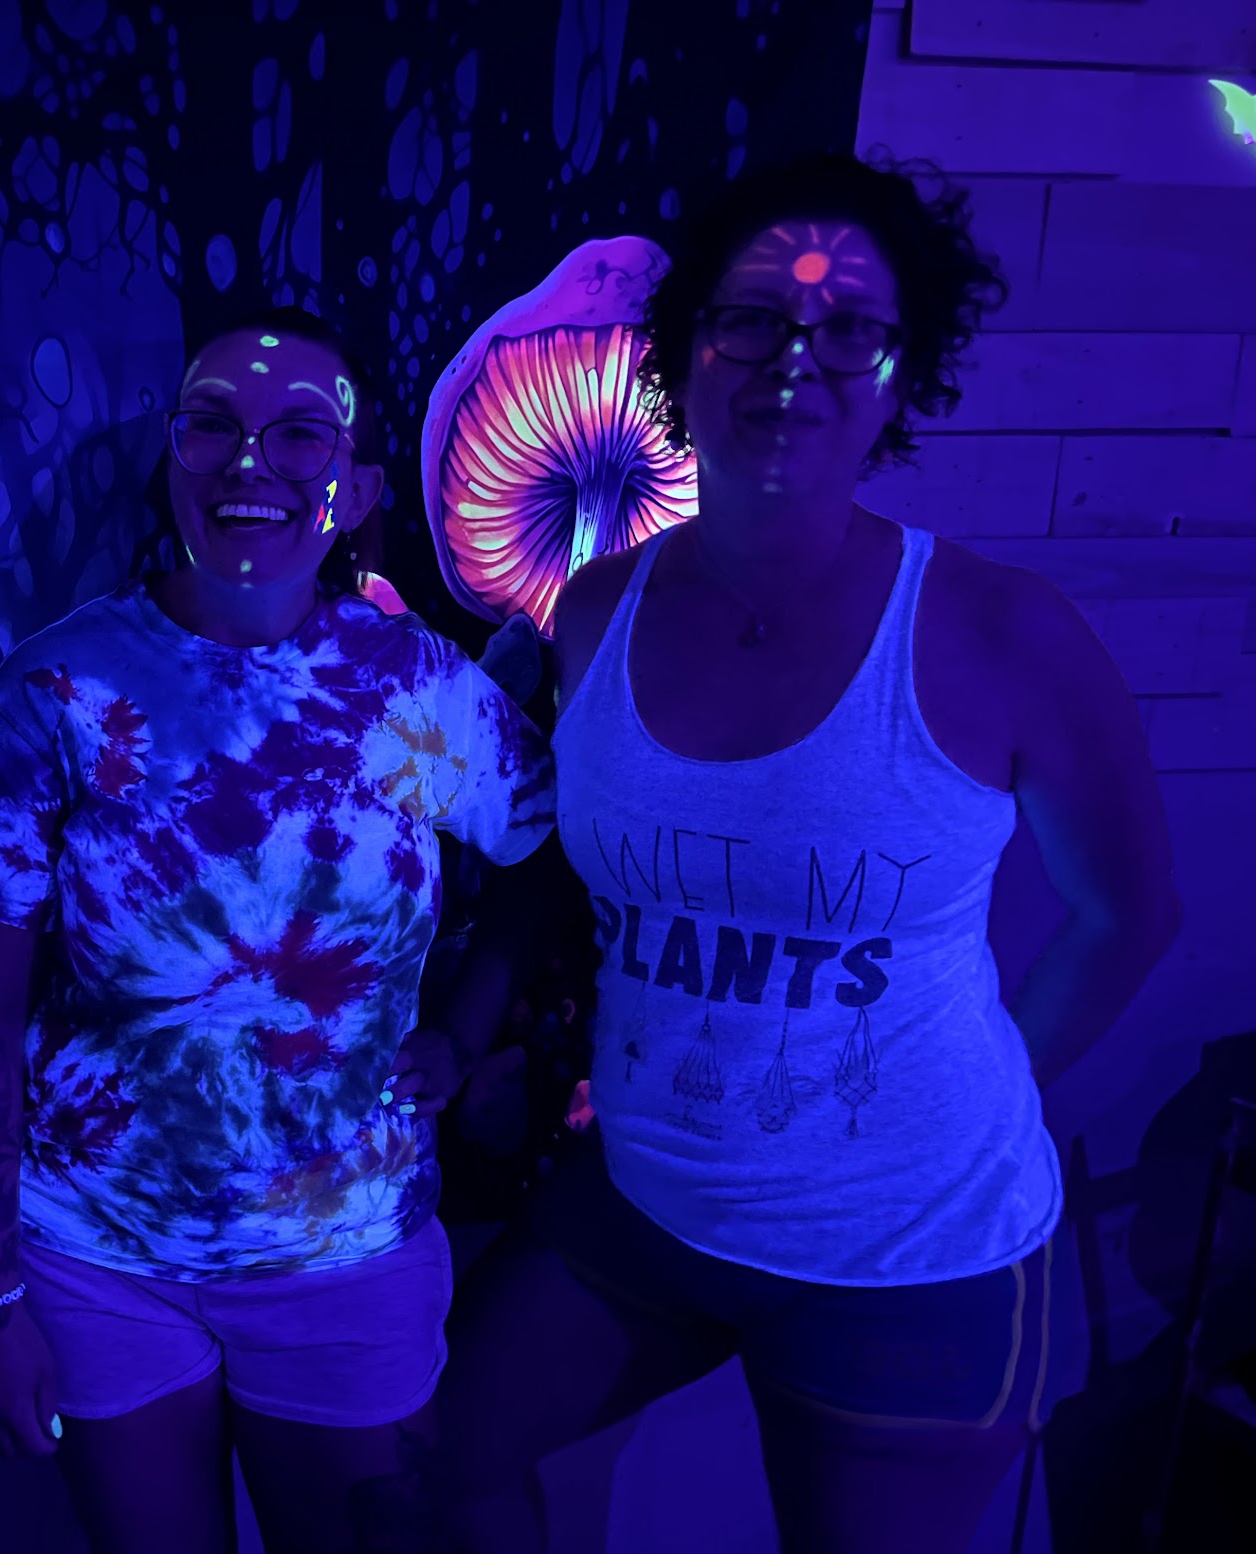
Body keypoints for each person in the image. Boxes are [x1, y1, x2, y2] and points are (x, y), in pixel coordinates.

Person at [436, 153, 1181, 1553]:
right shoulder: (596, 608)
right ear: (684, 353)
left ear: (903, 371)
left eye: (848, 329)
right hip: (650, 1200)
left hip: (909, 1253)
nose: (798, 356)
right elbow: (553, 856)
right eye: (754, 318)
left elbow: (1127, 913)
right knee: (425, 1461)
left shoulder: (998, 632)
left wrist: (942, 1104)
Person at [0, 306, 554, 1554]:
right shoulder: (57, 688)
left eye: (299, 435)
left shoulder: (418, 685)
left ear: (359, 484)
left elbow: (546, 858)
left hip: (346, 1256)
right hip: (96, 1256)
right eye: (212, 426)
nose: (249, 464)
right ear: (171, 455)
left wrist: (468, 1030)